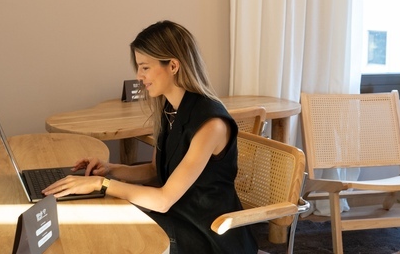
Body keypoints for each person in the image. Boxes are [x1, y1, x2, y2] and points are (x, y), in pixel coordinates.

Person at [43, 20, 258, 254]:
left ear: (173, 65)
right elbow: (156, 170)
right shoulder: (170, 109)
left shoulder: (211, 124)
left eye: (145, 67)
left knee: (111, 236)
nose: (139, 76)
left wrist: (99, 184)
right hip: (179, 218)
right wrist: (109, 170)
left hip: (208, 235)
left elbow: (163, 199)